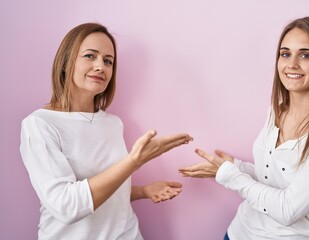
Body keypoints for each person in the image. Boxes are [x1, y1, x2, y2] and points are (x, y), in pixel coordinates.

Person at [179, 16, 309, 240]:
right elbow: (273, 179)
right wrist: (234, 166)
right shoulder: (276, 111)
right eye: (285, 54)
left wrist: (231, 176)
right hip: (237, 233)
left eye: (305, 55)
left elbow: (288, 209)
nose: (292, 64)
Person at [20, 23, 193, 240]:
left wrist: (143, 191)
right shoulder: (40, 124)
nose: (101, 66)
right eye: (90, 56)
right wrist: (133, 162)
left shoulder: (113, 123)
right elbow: (66, 205)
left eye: (108, 61)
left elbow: (106, 189)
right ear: (65, 63)